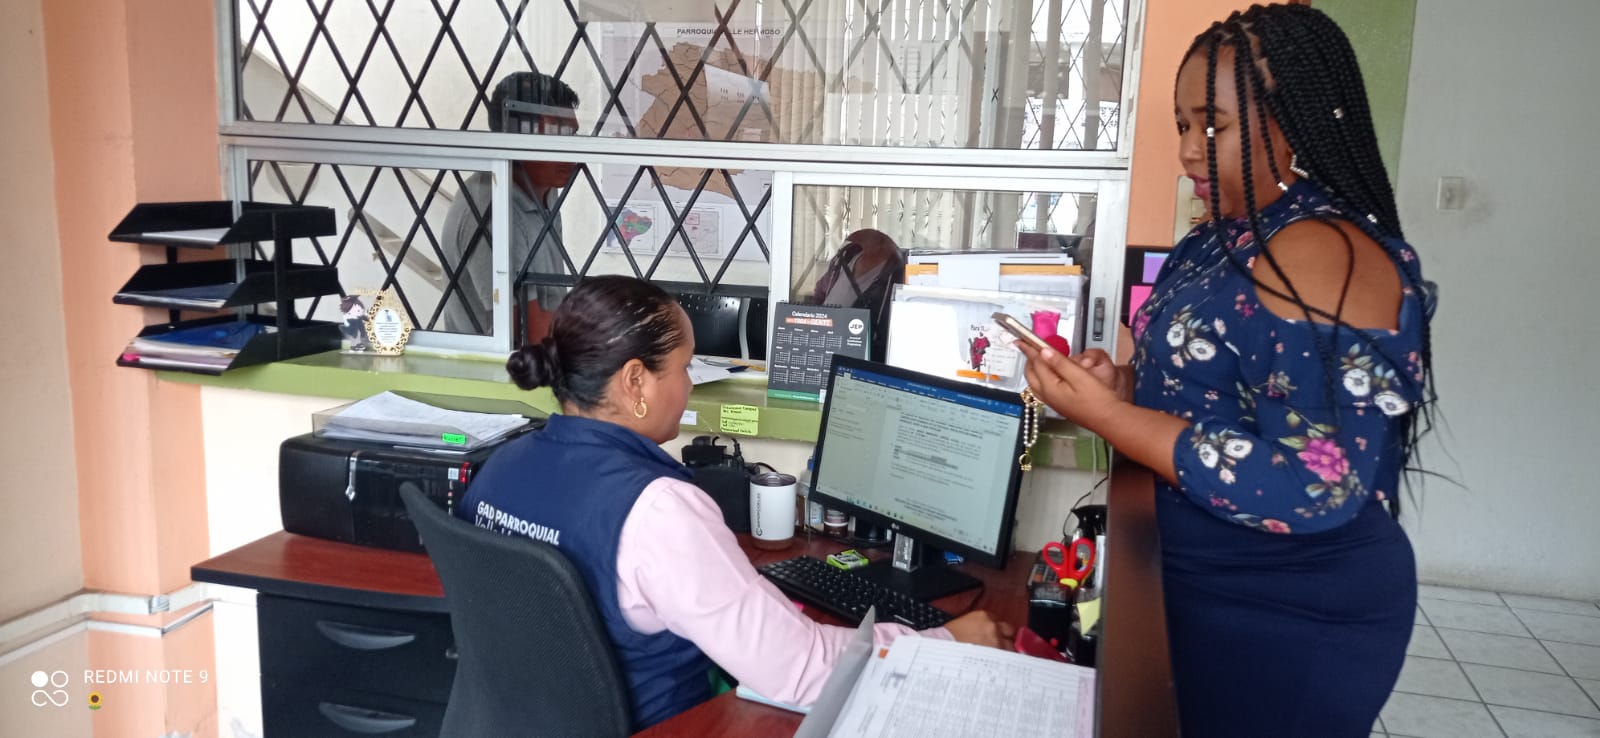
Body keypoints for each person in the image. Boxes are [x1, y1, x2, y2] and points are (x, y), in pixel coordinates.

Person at [1015, 5, 1437, 736]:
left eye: (1213, 127)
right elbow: (1204, 392)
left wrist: (1108, 415)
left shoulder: (1323, 254)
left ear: (1293, 121)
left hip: (1285, 608)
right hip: (1186, 575)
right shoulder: (1223, 237)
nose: (1188, 151)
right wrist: (1119, 385)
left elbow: (1314, 484)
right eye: (1183, 125)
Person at [460, 275, 1015, 729]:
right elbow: (799, 670)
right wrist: (942, 640)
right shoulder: (658, 512)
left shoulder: (500, 467)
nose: (689, 385)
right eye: (683, 367)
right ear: (635, 382)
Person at [438, 72, 579, 338]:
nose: (570, 149)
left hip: (548, 356)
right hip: (498, 364)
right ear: (516, 137)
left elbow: (550, 304)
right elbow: (525, 332)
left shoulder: (545, 189)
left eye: (572, 134)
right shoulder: (492, 212)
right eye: (556, 134)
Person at [804, 228, 905, 360]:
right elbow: (821, 290)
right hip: (822, 340)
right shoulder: (845, 258)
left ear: (883, 244)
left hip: (854, 350)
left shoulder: (895, 273)